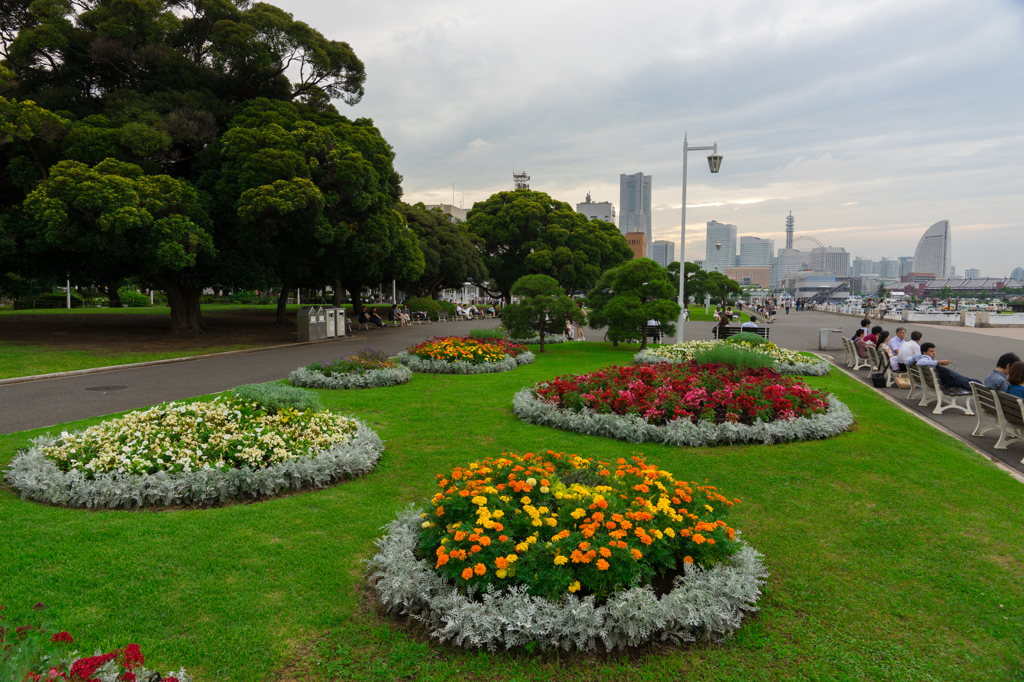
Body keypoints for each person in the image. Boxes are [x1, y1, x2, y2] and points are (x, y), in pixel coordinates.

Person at [910, 342, 979, 390]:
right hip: (951, 378)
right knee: (973, 384)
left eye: (934, 351)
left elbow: (907, 361)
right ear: (924, 352)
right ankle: (986, 397)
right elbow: (920, 363)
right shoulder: (924, 359)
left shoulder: (923, 358)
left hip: (951, 376)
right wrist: (940, 362)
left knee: (974, 381)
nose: (934, 352)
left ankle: (986, 394)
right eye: (931, 351)